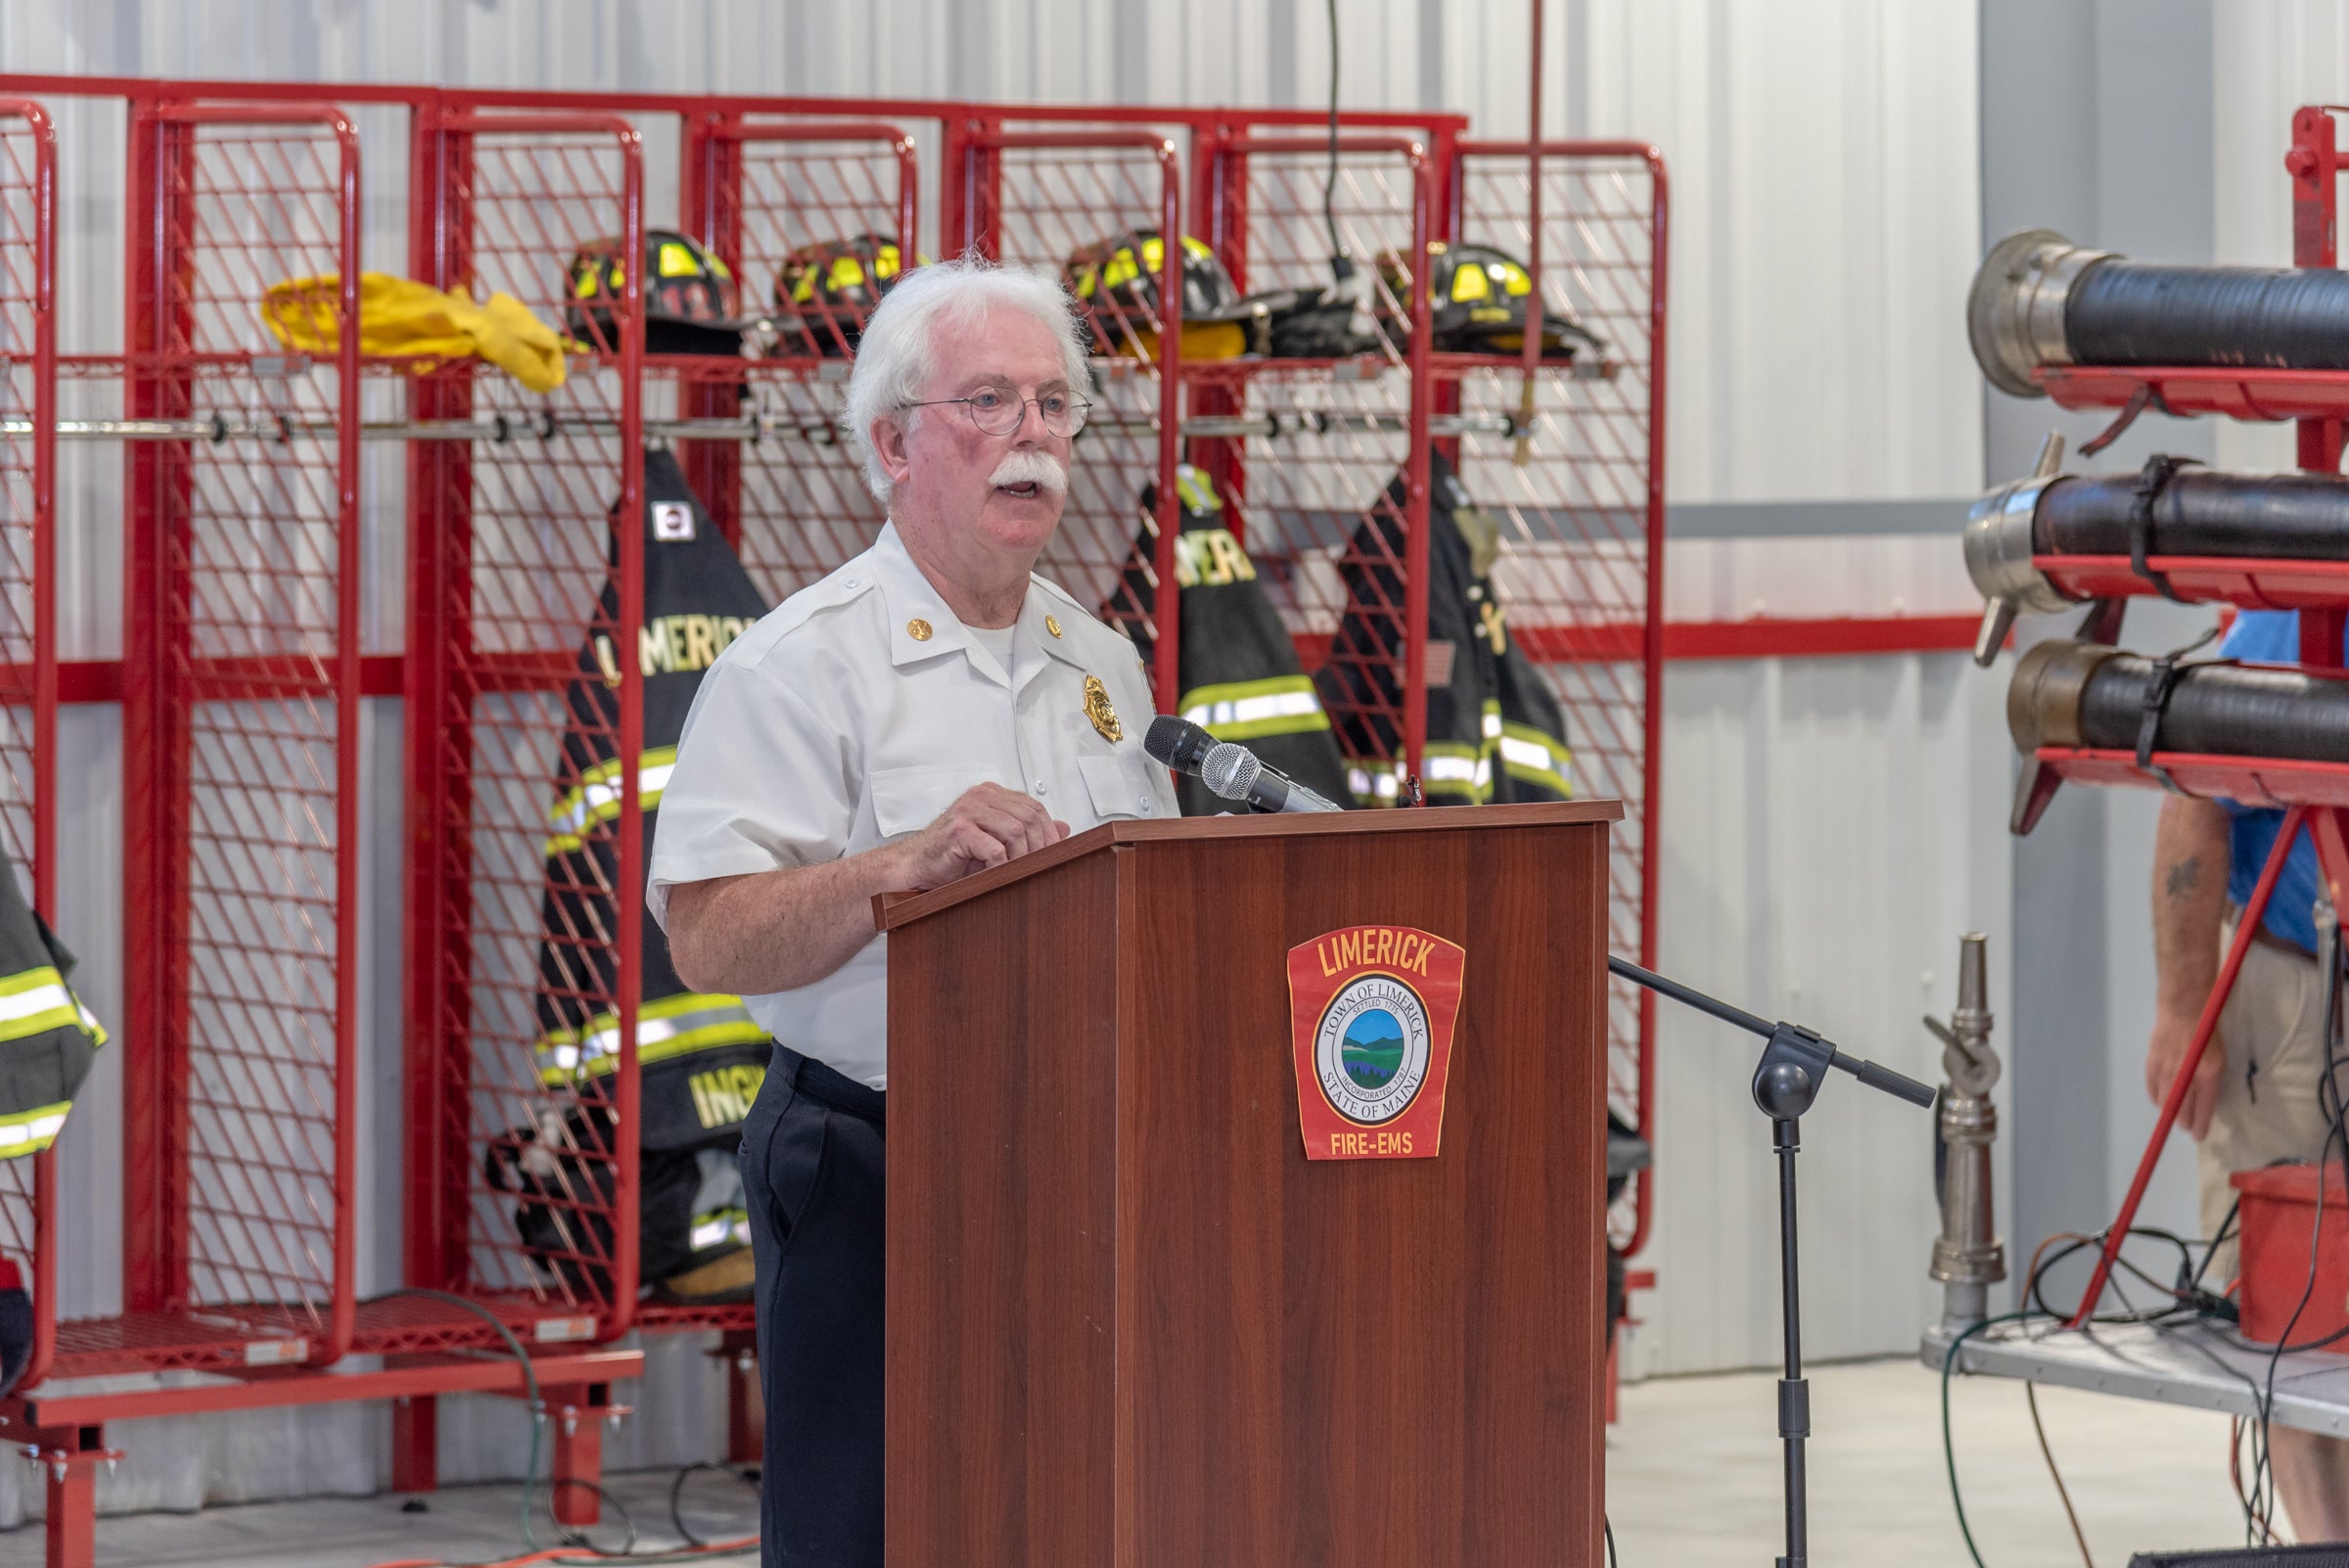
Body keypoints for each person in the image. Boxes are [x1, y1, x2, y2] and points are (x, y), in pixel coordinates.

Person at [647, 256, 1177, 1568]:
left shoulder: (1101, 662)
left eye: (1056, 405)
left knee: (1070, 1517)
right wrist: (890, 870)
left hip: (1086, 1164)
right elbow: (708, 934)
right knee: (868, 1531)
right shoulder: (800, 663)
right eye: (989, 400)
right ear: (892, 441)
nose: (1033, 438)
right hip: (878, 1166)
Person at [2149, 607, 2349, 1540]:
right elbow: (2196, 792)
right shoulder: (2293, 609)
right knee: (2289, 1305)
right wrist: (2187, 1007)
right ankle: (2324, 1547)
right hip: (2296, 989)